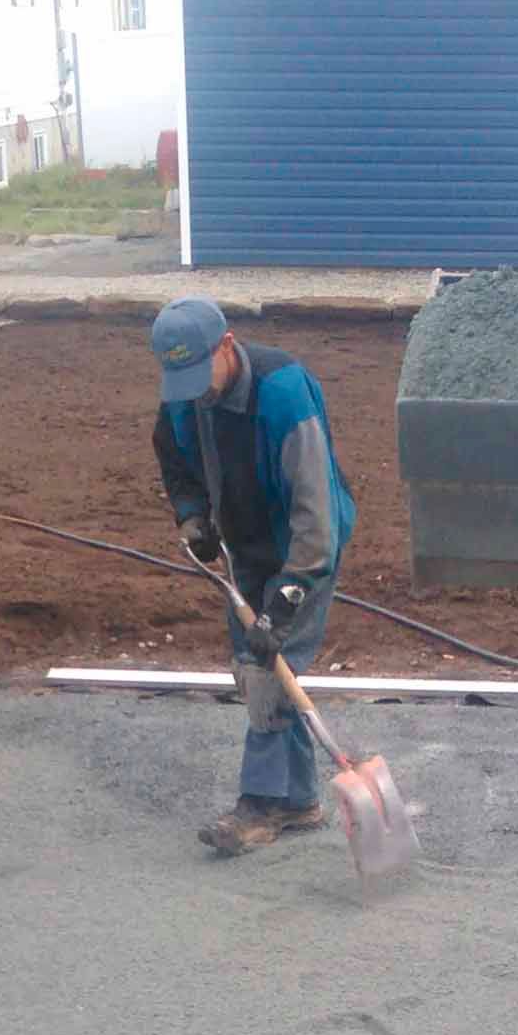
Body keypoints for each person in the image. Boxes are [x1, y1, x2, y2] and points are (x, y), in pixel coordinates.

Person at [150, 298, 357, 855]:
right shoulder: (187, 389)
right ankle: (298, 802)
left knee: (266, 670)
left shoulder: (284, 394)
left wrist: (286, 601)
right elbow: (171, 450)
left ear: (227, 344)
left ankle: (263, 804)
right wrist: (192, 514)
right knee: (257, 669)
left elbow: (317, 514)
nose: (194, 393)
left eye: (200, 374)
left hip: (304, 547)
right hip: (244, 544)